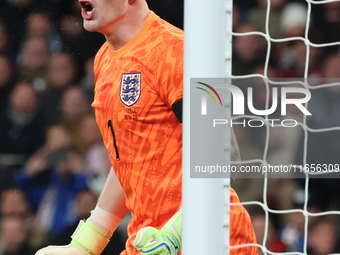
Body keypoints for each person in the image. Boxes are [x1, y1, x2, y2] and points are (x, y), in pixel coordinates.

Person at [36, 1, 258, 255]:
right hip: (148, 240)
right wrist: (87, 243)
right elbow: (128, 161)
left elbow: (225, 156)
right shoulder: (104, 59)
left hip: (210, 237)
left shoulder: (177, 49)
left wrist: (178, 231)